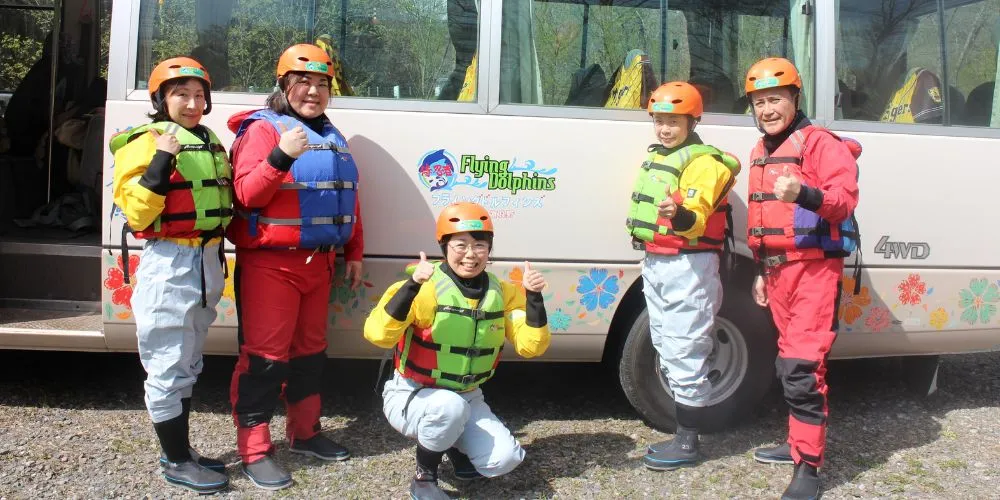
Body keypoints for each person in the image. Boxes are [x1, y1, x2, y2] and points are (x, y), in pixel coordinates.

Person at [226, 43, 364, 490]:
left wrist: (354, 252)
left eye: (323, 84)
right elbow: (246, 195)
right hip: (271, 265)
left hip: (319, 265)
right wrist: (281, 156)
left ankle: (304, 433)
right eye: (303, 82)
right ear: (283, 85)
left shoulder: (333, 135)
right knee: (265, 360)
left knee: (310, 356)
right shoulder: (262, 131)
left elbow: (348, 200)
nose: (314, 91)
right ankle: (254, 451)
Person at [364, 202, 550, 500]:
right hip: (412, 393)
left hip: (467, 395)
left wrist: (534, 298)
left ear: (489, 250)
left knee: (504, 460)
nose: (470, 254)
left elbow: (532, 346)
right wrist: (412, 285)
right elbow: (377, 335)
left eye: (480, 245)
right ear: (444, 247)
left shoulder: (502, 292)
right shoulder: (424, 287)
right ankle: (424, 477)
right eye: (460, 245)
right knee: (449, 408)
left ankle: (453, 444)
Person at [109, 56, 232, 494]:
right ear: (161, 99)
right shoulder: (144, 141)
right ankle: (176, 461)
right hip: (170, 261)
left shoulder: (208, 139)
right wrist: (163, 157)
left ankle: (179, 450)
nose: (193, 104)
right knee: (166, 364)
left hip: (207, 260)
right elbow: (138, 211)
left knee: (188, 361)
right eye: (182, 95)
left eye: (199, 95)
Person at [743, 57, 860, 500]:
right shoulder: (760, 150)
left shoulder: (820, 143)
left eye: (775, 99)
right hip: (777, 272)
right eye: (759, 102)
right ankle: (795, 443)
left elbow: (843, 200)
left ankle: (808, 467)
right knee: (786, 362)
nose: (767, 109)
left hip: (814, 270)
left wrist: (804, 193)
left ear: (795, 98)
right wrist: (761, 269)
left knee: (802, 368)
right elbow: (762, 219)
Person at [623, 82, 740, 472]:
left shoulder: (705, 163)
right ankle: (681, 433)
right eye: (659, 121)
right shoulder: (662, 156)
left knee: (685, 346)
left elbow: (696, 216)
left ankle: (688, 441)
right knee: (664, 342)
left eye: (673, 122)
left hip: (689, 266)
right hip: (658, 261)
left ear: (693, 121)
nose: (664, 129)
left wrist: (681, 214)